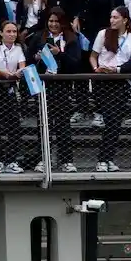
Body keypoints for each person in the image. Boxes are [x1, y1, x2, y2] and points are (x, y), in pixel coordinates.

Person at [29, 9, 84, 172]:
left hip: (62, 88)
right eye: (50, 21)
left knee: (62, 126)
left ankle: (66, 160)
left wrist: (59, 54)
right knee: (43, 125)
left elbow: (75, 65)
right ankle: (43, 159)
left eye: (56, 21)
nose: (53, 24)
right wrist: (36, 58)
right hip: (43, 87)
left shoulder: (71, 39)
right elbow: (28, 58)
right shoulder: (38, 37)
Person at [90, 6, 131, 171]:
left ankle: (107, 158)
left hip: (120, 82)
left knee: (115, 122)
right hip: (103, 82)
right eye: (111, 17)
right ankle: (102, 160)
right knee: (110, 119)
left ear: (125, 20)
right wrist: (96, 69)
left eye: (116, 17)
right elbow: (93, 56)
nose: (112, 20)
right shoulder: (103, 34)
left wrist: (118, 69)